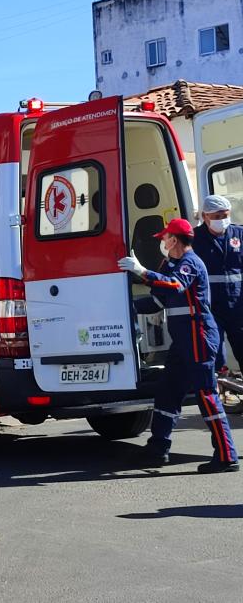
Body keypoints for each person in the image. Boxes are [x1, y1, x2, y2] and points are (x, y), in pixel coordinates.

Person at [118, 218, 239, 472]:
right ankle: (158, 448)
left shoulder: (190, 262)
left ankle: (226, 455)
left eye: (165, 237)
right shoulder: (170, 264)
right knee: (168, 391)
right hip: (183, 340)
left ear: (174, 240)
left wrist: (142, 271)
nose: (162, 241)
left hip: (198, 336)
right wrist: (125, 307)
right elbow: (158, 301)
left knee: (206, 394)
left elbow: (174, 286)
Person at [191, 194, 243, 372]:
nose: (222, 220)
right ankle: (220, 386)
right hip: (211, 308)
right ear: (205, 216)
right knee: (216, 354)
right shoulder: (194, 238)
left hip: (238, 307)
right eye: (217, 216)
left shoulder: (239, 234)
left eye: (225, 215)